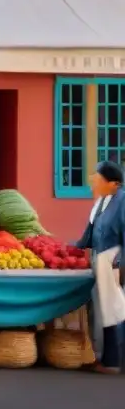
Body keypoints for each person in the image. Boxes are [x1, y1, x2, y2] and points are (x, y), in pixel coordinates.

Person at [75, 160, 125, 374]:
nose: (93, 181)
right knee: (108, 310)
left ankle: (113, 362)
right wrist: (70, 249)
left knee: (115, 310)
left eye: (98, 178)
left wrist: (121, 265)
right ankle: (109, 360)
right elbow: (89, 234)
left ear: (114, 183)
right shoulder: (101, 203)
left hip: (113, 259)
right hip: (101, 258)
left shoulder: (122, 201)